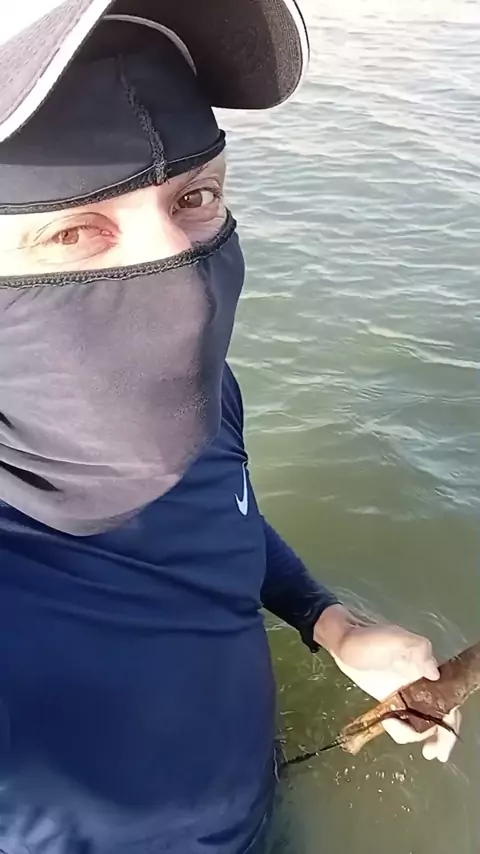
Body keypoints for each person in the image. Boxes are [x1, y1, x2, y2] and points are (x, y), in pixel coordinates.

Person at [0, 2, 460, 853]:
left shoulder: (194, 394)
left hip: (260, 807)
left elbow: (226, 513)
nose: (178, 281)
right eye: (73, 229)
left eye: (196, 196)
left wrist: (331, 623)